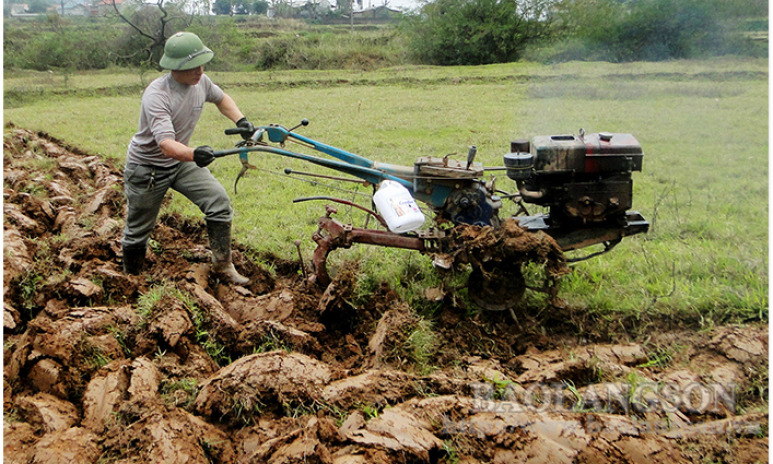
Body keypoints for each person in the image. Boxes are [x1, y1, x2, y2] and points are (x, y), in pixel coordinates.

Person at [120, 31, 253, 285]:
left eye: (202, 64)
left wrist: (241, 119)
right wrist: (195, 154)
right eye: (193, 67)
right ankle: (131, 280)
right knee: (138, 231)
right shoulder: (157, 95)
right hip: (147, 167)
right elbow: (167, 146)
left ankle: (222, 266)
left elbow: (221, 99)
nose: (200, 71)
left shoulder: (201, 82)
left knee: (218, 202)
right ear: (175, 68)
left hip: (180, 162)